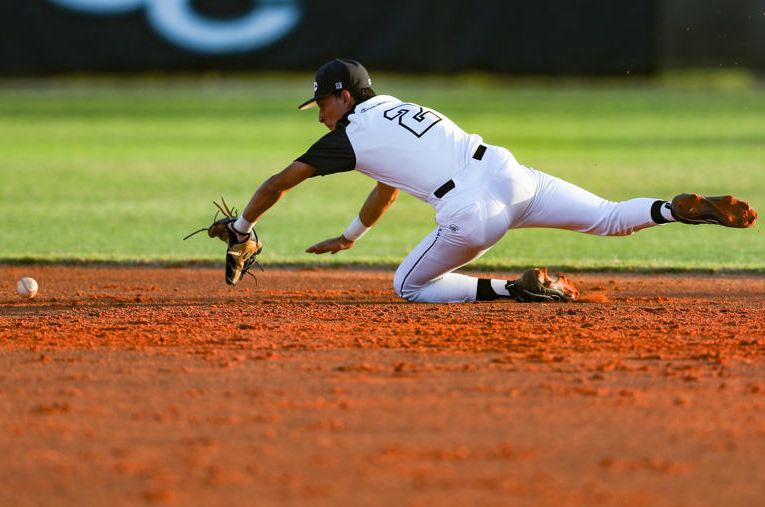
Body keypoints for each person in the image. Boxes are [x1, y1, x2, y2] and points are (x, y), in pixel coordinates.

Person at [209, 58, 758, 302]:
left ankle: (512, 289)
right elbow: (388, 184)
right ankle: (673, 208)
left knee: (408, 287)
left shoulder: (348, 133)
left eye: (323, 102)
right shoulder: (402, 107)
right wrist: (352, 236)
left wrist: (242, 224)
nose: (321, 112)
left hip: (471, 211)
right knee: (611, 218)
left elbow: (281, 181)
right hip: (509, 173)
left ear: (345, 96)